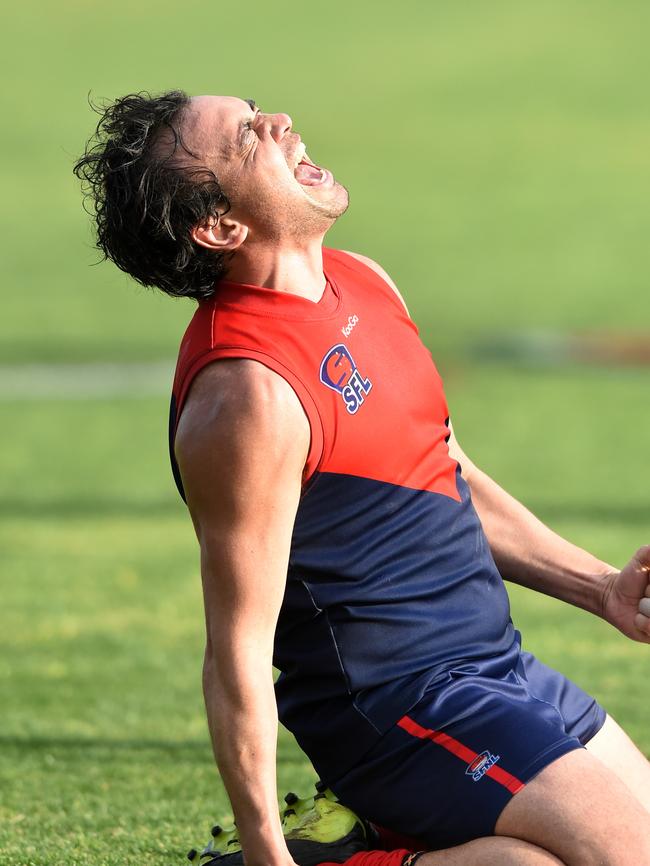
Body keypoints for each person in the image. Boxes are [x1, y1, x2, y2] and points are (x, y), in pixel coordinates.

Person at [74, 90, 650, 866]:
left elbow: (444, 476)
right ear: (220, 227)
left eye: (256, 109)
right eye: (247, 137)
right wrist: (263, 849)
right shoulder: (248, 394)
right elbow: (235, 650)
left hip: (496, 669)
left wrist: (600, 588)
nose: (277, 121)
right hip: (397, 713)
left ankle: (374, 841)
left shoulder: (365, 281)